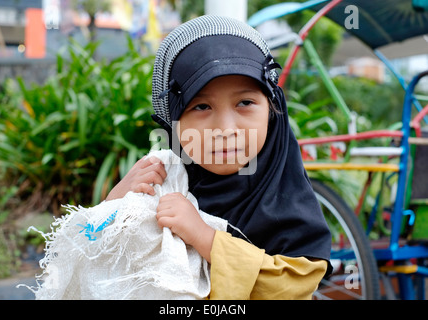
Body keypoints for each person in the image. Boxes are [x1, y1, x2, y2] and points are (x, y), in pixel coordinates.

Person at [106, 15, 332, 299]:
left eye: (245, 103)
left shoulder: (284, 197)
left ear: (272, 110)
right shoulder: (163, 182)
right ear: (174, 121)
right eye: (201, 106)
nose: (225, 129)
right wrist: (114, 206)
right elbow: (95, 269)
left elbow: (295, 284)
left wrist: (206, 238)